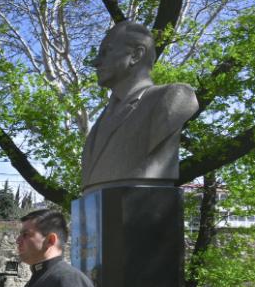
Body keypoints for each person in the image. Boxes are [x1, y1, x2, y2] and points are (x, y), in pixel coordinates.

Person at [81, 21, 198, 192]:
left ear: (136, 55)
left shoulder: (172, 97)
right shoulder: (101, 120)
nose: (96, 62)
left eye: (106, 52)